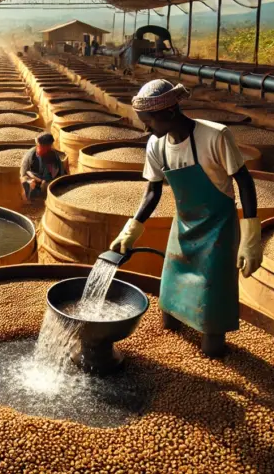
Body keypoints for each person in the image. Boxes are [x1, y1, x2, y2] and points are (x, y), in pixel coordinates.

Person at [109, 79, 262, 358]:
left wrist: (251, 236)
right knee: (169, 301)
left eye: (149, 121)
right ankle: (176, 321)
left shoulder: (215, 136)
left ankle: (213, 344)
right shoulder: (156, 145)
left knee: (211, 306)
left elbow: (245, 182)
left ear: (168, 113)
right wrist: (131, 229)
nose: (145, 128)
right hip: (183, 224)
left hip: (218, 226)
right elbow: (152, 191)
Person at [20, 133, 67, 202]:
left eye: (48, 147)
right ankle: (30, 199)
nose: (46, 149)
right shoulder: (30, 155)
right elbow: (23, 173)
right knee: (28, 183)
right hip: (34, 180)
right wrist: (33, 179)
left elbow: (60, 173)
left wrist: (48, 182)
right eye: (41, 146)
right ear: (38, 144)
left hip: (49, 182)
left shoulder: (53, 155)